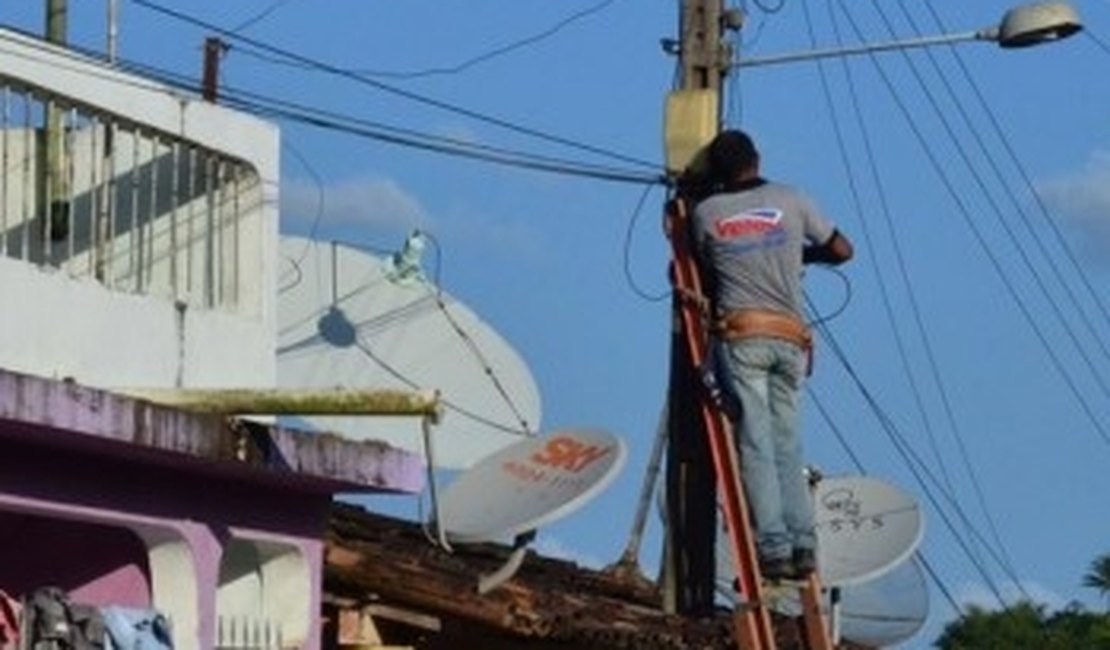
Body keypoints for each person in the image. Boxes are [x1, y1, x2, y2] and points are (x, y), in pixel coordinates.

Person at [691, 129, 853, 580]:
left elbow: (705, 266)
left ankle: (775, 549)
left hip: (743, 337)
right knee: (787, 442)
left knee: (756, 442)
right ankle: (804, 546)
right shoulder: (793, 198)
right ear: (757, 160)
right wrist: (801, 254)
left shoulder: (706, 214)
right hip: (789, 338)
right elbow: (843, 250)